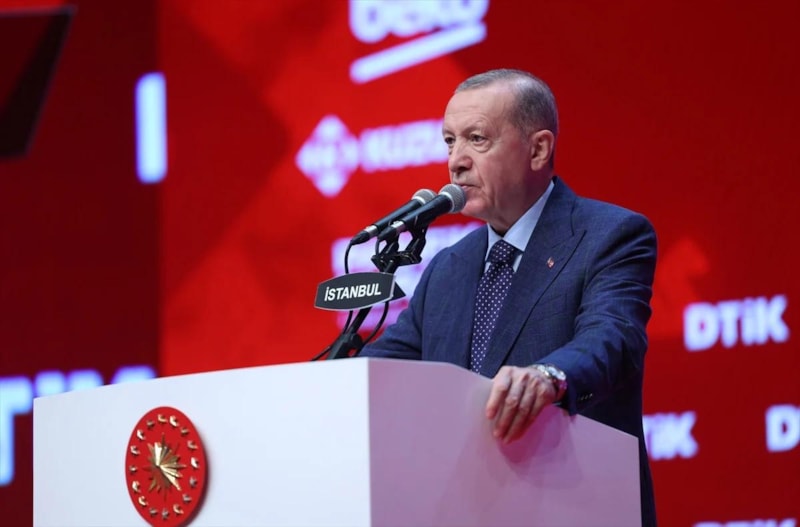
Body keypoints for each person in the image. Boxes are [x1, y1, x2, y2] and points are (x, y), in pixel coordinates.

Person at [359, 68, 657, 526]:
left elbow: (612, 338)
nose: (456, 161)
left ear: (538, 149)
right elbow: (383, 370)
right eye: (449, 141)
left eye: (476, 139)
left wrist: (548, 377)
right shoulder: (448, 267)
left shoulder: (610, 236)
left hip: (574, 507)